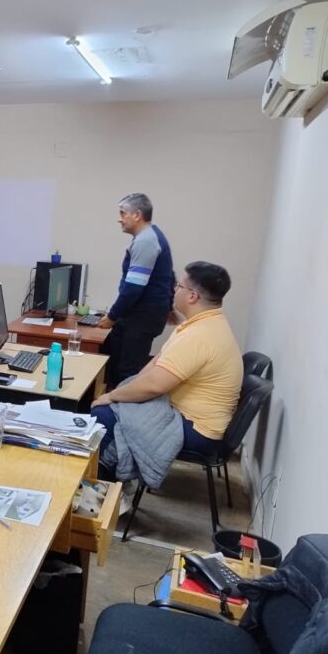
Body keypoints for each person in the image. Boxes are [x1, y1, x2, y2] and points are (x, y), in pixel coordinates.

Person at [91, 261, 243, 483]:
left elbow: (154, 385)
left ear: (192, 296)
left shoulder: (198, 336)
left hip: (198, 430)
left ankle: (105, 487)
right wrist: (125, 392)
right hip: (186, 414)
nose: (174, 290)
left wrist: (112, 396)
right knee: (120, 404)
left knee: (104, 416)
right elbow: (155, 365)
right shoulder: (204, 323)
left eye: (179, 286)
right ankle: (107, 479)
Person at [98, 193, 174, 388]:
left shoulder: (145, 241)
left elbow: (133, 288)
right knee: (113, 359)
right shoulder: (151, 235)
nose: (120, 219)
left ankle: (119, 405)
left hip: (140, 317)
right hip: (140, 315)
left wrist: (112, 316)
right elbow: (169, 276)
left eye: (123, 213)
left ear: (137, 215)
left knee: (126, 371)